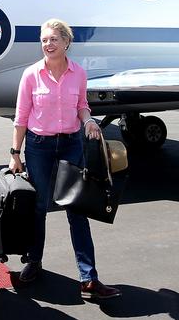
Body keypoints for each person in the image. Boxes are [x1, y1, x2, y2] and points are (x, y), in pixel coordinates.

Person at [9, 18, 121, 300]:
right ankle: (33, 262)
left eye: (53, 39)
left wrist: (89, 121)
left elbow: (82, 106)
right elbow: (21, 116)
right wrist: (15, 153)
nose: (48, 44)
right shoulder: (31, 75)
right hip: (39, 146)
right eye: (44, 40)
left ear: (66, 42)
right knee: (39, 206)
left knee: (77, 209)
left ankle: (88, 278)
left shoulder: (78, 73)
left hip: (71, 144)